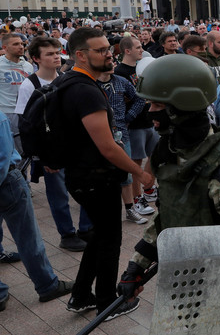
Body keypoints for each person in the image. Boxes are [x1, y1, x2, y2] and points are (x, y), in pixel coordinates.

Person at [116, 54, 220, 304]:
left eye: (157, 106)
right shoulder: (167, 152)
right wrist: (137, 266)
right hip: (183, 280)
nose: (149, 112)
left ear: (181, 107)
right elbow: (169, 216)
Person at [60, 28, 152, 320]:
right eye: (100, 50)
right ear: (81, 55)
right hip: (95, 178)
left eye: (107, 49)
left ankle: (81, 295)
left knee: (99, 236)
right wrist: (140, 173)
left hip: (82, 175)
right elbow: (108, 147)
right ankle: (106, 303)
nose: (108, 54)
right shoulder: (86, 91)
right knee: (110, 240)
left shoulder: (69, 82)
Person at [14, 37, 90, 251]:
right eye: (49, 54)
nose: (56, 56)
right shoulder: (30, 84)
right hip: (51, 151)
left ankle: (86, 229)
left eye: (57, 52)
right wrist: (42, 156)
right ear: (36, 59)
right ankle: (67, 234)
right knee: (58, 195)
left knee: (84, 187)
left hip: (75, 147)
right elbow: (26, 124)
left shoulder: (67, 78)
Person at [0, 111, 74, 312]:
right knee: (28, 237)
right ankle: (47, 285)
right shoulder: (0, 118)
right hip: (6, 183)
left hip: (6, 181)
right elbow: (3, 158)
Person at [97, 66, 153, 224]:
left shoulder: (121, 82)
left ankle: (130, 209)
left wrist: (129, 117)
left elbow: (139, 98)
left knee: (126, 174)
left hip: (120, 134)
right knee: (101, 176)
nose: (111, 62)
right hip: (97, 136)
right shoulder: (90, 84)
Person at [114, 35, 160, 206]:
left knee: (155, 156)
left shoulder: (143, 67)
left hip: (150, 120)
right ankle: (136, 197)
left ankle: (147, 188)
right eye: (138, 47)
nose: (142, 50)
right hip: (134, 125)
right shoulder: (120, 72)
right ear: (127, 51)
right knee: (136, 163)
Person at [0, 33, 34, 260]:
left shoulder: (28, 66)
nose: (21, 47)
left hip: (24, 112)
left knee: (23, 153)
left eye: (22, 44)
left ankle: (22, 183)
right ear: (4, 47)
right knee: (8, 153)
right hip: (5, 113)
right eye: (16, 44)